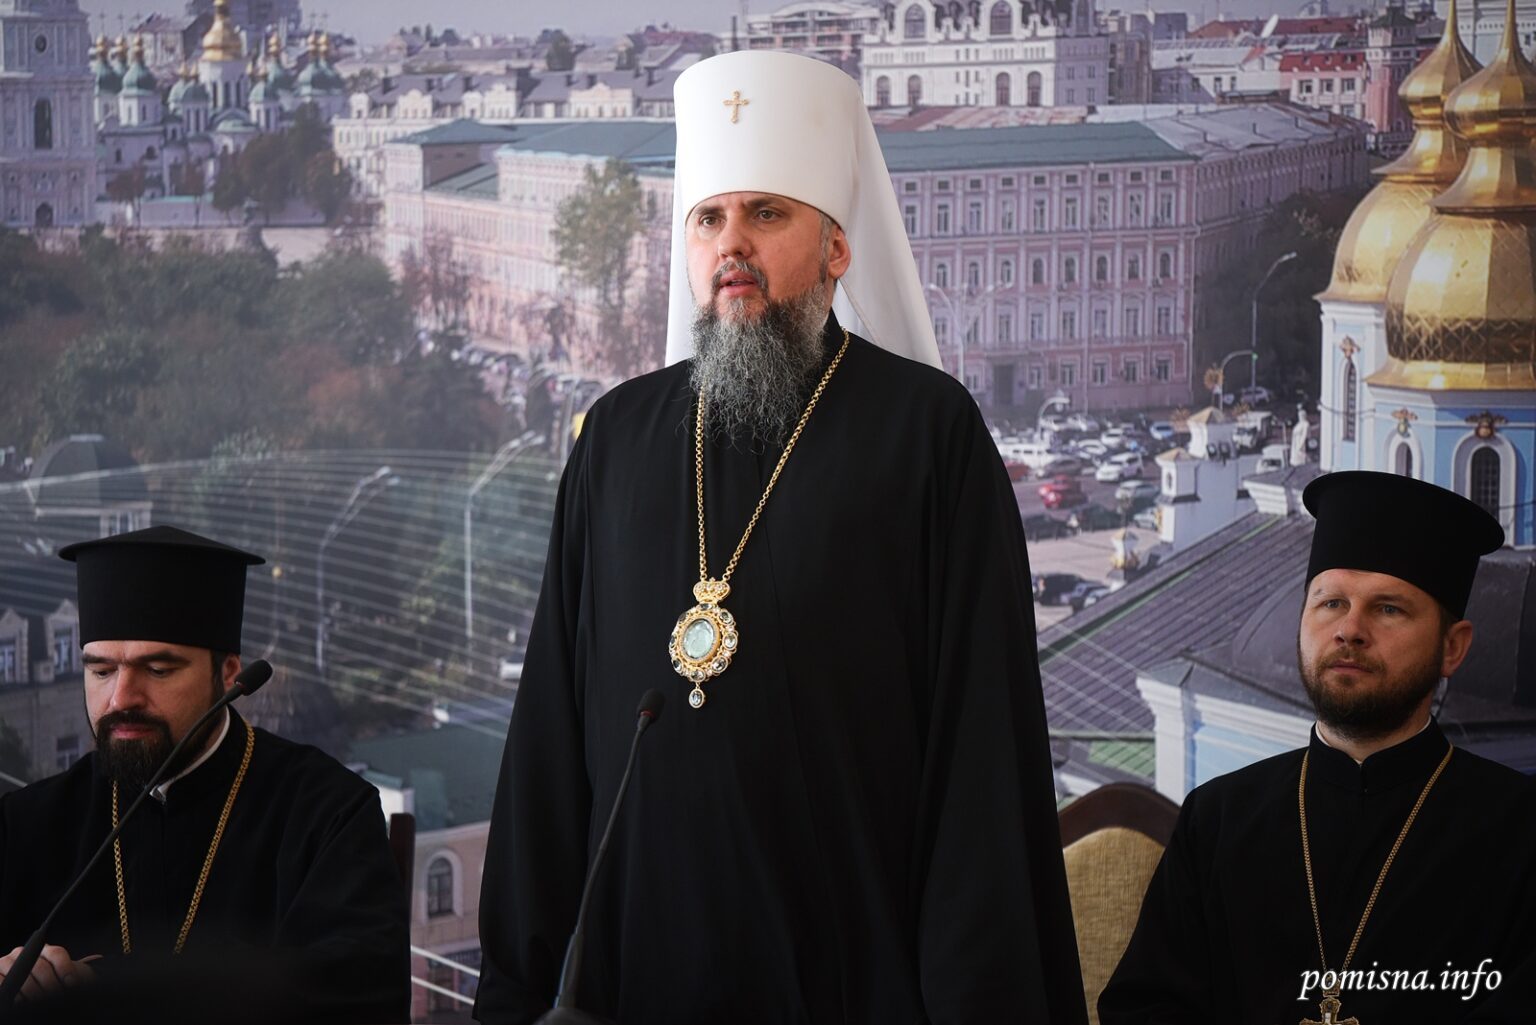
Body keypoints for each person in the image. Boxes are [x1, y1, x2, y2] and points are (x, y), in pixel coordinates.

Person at [473, 49, 1086, 1025]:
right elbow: (550, 740)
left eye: (766, 214)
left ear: (837, 248)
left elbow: (980, 765)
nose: (732, 245)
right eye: (708, 219)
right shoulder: (617, 438)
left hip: (849, 982)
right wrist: (512, 993)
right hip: (635, 987)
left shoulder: (927, 435)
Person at [1100, 471, 1536, 1023]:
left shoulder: (1521, 832)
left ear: (1452, 647)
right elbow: (1143, 1009)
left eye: (1389, 609)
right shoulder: (1216, 820)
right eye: (1330, 603)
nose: (1350, 630)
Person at [0, 525, 410, 1024]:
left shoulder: (328, 813)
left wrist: (108, 988)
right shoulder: (24, 824)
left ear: (229, 673)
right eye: (101, 671)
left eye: (158, 670)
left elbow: (361, 989)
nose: (121, 698)